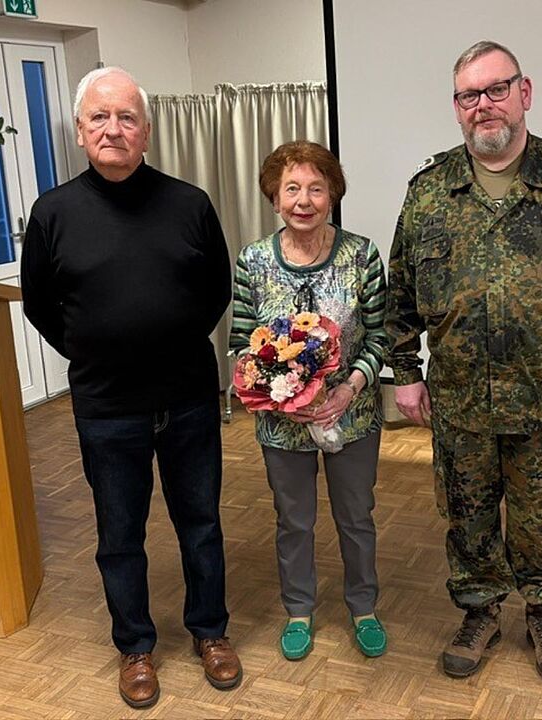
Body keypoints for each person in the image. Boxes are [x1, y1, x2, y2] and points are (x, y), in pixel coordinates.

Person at [385, 41, 542, 684]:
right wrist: (407, 375)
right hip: (461, 398)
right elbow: (400, 291)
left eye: (496, 89)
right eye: (469, 96)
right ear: (456, 108)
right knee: (467, 512)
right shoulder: (429, 191)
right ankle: (479, 608)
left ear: (525, 93)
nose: (483, 106)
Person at [20, 67, 239, 709]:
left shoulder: (189, 203)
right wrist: (95, 348)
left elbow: (215, 291)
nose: (113, 129)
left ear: (146, 131)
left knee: (200, 523)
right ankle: (136, 647)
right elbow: (39, 303)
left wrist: (164, 342)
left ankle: (210, 631)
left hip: (190, 397)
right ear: (81, 131)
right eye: (99, 118)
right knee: (120, 533)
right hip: (106, 407)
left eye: (126, 118)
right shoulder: (53, 211)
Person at [229, 141, 390, 662]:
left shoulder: (361, 255)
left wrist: (347, 389)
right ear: (274, 197)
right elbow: (239, 345)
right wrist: (280, 400)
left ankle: (363, 607)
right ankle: (299, 610)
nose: (304, 199)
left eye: (316, 188)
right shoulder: (252, 261)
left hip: (353, 415)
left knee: (356, 516)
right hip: (282, 425)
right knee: (293, 520)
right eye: (291, 188)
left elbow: (381, 338)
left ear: (333, 195)